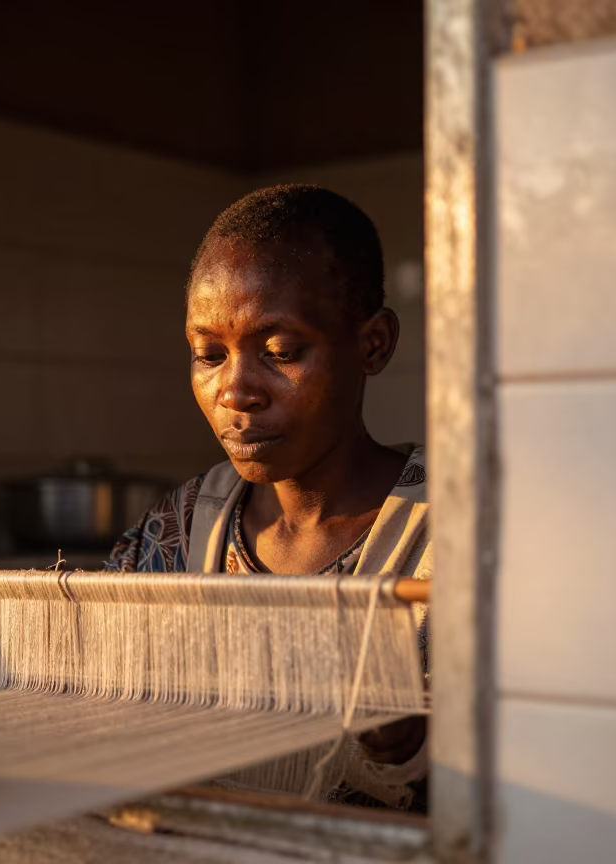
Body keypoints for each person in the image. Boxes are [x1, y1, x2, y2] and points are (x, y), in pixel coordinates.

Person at [106, 184, 428, 808]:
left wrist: (424, 743)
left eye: (280, 352)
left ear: (372, 345)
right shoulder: (177, 532)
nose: (236, 390)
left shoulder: (458, 538)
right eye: (208, 355)